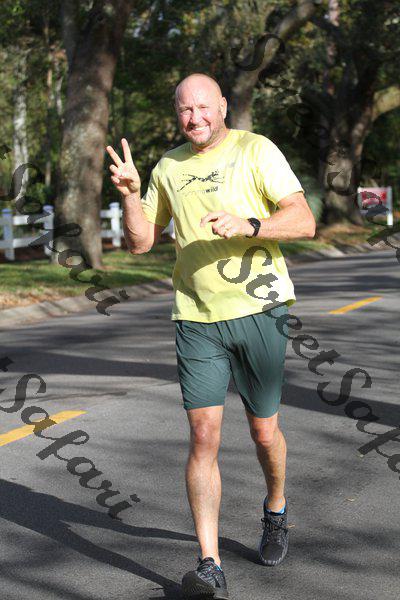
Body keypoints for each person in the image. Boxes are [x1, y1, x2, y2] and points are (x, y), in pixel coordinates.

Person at [106, 73, 316, 599]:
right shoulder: (168, 167)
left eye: (203, 107)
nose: (194, 117)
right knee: (203, 435)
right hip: (196, 317)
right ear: (176, 113)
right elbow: (139, 243)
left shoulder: (255, 149)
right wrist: (130, 196)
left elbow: (303, 221)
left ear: (223, 106)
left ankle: (275, 509)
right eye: (184, 109)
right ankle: (209, 563)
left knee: (264, 432)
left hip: (260, 309)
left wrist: (250, 224)